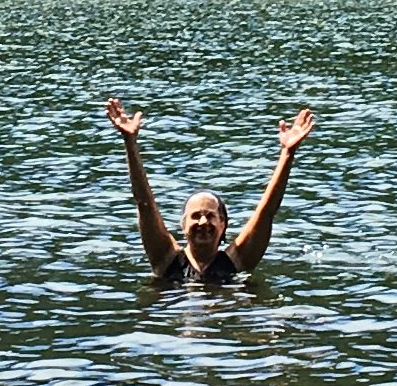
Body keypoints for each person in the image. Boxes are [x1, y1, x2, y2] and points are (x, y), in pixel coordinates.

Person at [103, 98, 312, 285]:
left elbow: (266, 212)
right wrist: (130, 142)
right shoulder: (165, 258)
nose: (203, 223)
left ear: (223, 225)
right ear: (183, 224)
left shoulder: (236, 261)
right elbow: (145, 204)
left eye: (210, 216)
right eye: (196, 216)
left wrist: (288, 153)